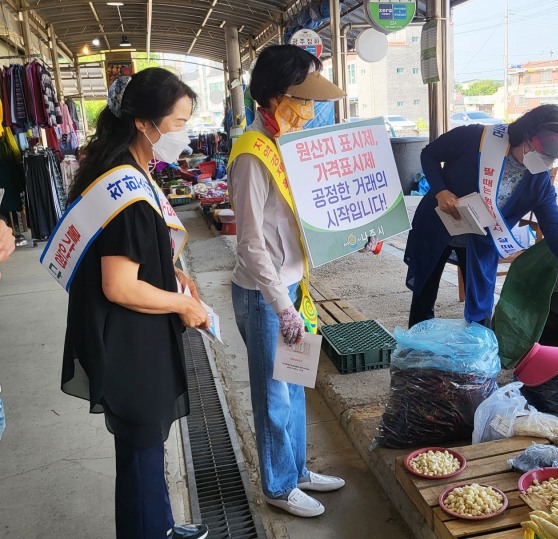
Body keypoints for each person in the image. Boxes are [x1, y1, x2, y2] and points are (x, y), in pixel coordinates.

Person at [55, 69, 209, 539]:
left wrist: (169, 270)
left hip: (128, 334)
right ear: (145, 123)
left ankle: (158, 524)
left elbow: (136, 254)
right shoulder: (128, 192)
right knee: (142, 451)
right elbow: (119, 286)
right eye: (178, 123)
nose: (184, 134)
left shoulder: (121, 168)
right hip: (130, 342)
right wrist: (183, 306)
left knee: (144, 450)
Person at [227, 45, 346, 518]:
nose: (312, 109)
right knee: (274, 392)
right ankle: (277, 485)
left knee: (296, 383)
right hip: (265, 295)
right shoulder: (252, 154)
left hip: (292, 287)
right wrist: (282, 306)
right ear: (277, 97)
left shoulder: (289, 143)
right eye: (305, 98)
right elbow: (251, 244)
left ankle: (296, 470)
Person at [404, 104, 558, 328]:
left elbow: (555, 229)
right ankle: (416, 346)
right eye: (544, 153)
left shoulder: (539, 181)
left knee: (481, 308)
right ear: (526, 137)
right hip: (438, 225)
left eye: (553, 157)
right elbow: (430, 154)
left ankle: (478, 353)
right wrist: (440, 191)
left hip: (481, 240)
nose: (547, 161)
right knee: (424, 294)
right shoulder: (475, 137)